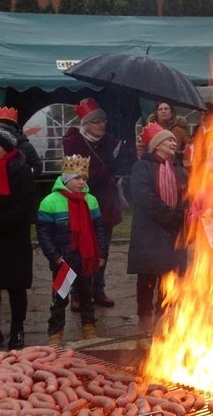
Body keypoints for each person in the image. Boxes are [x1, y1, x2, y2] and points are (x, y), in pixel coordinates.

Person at [63, 97, 130, 309]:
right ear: (85, 124)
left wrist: (127, 151)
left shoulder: (110, 142)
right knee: (79, 250)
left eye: (103, 121)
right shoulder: (73, 143)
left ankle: (97, 289)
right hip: (82, 204)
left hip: (106, 206)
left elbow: (123, 166)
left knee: (103, 249)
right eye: (96, 121)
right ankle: (77, 292)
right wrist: (108, 167)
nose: (101, 125)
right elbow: (77, 177)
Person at [37, 154, 108, 345]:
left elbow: (99, 229)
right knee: (60, 297)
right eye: (77, 178)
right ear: (66, 179)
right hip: (63, 260)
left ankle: (89, 327)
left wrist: (101, 253)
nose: (81, 182)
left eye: (84, 178)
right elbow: (43, 234)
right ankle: (56, 332)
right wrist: (55, 257)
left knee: (87, 294)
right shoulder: (50, 202)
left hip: (86, 258)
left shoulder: (90, 200)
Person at [127, 122, 188, 336]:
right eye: (169, 139)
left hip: (173, 234)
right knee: (147, 278)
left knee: (169, 278)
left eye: (174, 139)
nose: (174, 142)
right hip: (149, 233)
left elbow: (187, 197)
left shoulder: (179, 171)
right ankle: (144, 319)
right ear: (156, 145)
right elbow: (144, 197)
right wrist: (169, 216)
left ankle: (164, 319)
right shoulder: (141, 168)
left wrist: (177, 215)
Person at [0, 126, 36, 350]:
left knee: (16, 286)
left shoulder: (21, 170)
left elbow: (24, 206)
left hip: (13, 238)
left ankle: (17, 329)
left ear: (6, 147)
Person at [0, 106, 42, 177]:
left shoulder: (26, 146)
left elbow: (37, 167)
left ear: (12, 128)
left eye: (4, 127)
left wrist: (24, 174)